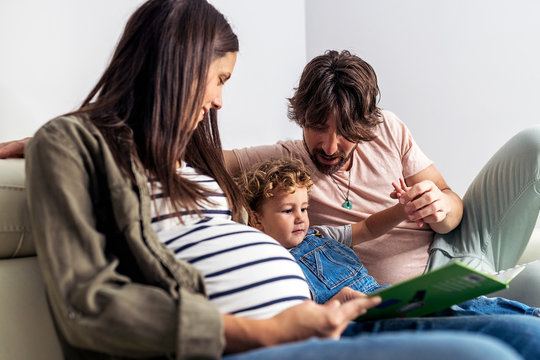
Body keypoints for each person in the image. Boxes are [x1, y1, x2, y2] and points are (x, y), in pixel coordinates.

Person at [5, 2, 540, 358]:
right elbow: (89, 303)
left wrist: (434, 207)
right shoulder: (75, 144)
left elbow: (446, 198)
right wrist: (58, 136)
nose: (219, 99)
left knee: (525, 333)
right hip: (272, 337)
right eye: (219, 79)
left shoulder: (183, 157)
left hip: (329, 315)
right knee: (485, 353)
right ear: (176, 65)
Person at [225, 50, 540, 290]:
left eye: (346, 131)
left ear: (364, 124)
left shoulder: (388, 128)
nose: (330, 147)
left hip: (458, 244)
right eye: (318, 127)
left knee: (534, 143)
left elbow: (452, 207)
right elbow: (201, 157)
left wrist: (440, 207)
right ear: (302, 117)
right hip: (423, 289)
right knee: (532, 289)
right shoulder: (284, 162)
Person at [236, 157, 539, 317]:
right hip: (358, 316)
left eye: (304, 207)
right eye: (288, 211)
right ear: (257, 218)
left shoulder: (321, 233)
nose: (301, 217)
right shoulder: (267, 260)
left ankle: (532, 316)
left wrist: (401, 209)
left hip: (387, 295)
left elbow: (367, 228)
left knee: (465, 306)